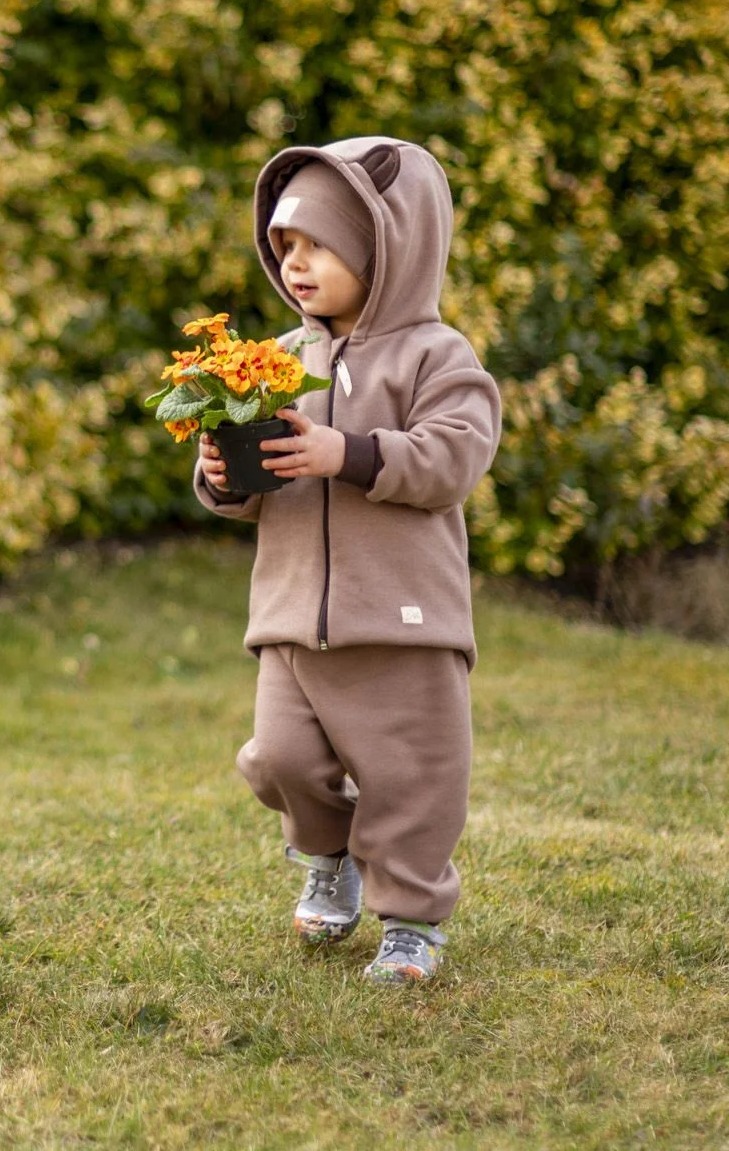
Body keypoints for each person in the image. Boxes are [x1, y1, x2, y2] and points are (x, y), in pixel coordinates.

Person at [195, 138, 500, 984]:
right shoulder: (277, 363)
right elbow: (250, 485)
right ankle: (328, 856)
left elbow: (452, 460)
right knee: (283, 757)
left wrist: (349, 452)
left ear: (388, 251)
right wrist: (221, 477)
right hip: (293, 614)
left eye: (318, 246)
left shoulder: (438, 358)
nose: (295, 266)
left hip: (403, 621)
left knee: (412, 777)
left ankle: (410, 920)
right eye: (285, 246)